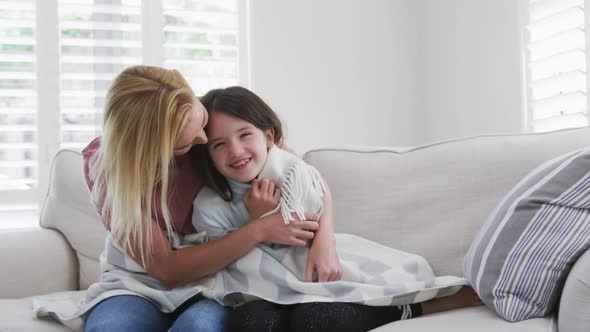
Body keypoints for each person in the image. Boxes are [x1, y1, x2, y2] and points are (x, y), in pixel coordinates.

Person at [193, 86, 482, 332]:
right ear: (207, 153)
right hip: (259, 290)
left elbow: (308, 214)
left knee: (316, 320)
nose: (235, 151)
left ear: (268, 137)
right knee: (253, 323)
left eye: (245, 135)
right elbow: (220, 262)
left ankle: (410, 308)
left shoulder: (290, 172)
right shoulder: (210, 205)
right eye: (220, 144)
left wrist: (321, 240)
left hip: (311, 274)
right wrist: (255, 223)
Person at [81, 66, 321, 332]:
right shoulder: (106, 168)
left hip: (212, 283)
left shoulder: (220, 136)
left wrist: (326, 242)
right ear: (151, 147)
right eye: (185, 144)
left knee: (199, 327)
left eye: (202, 119)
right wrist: (258, 229)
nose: (204, 139)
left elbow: (307, 176)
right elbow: (167, 270)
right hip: (136, 284)